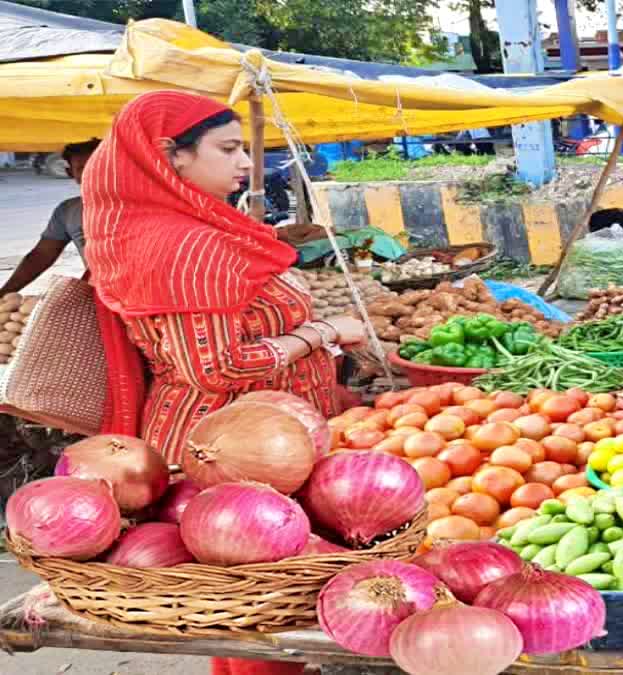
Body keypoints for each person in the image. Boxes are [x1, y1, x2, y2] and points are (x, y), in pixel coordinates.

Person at [82, 91, 366, 675]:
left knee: (242, 605)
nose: (245, 163)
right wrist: (320, 334)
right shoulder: (187, 244)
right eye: (227, 148)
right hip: (231, 449)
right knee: (256, 604)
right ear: (171, 154)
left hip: (240, 436)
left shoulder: (179, 225)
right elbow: (215, 368)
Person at [0, 140, 100, 295]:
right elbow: (41, 256)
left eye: (98, 165)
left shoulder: (142, 204)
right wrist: (4, 293)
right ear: (70, 173)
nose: (92, 173)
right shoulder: (67, 211)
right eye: (81, 168)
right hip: (103, 296)